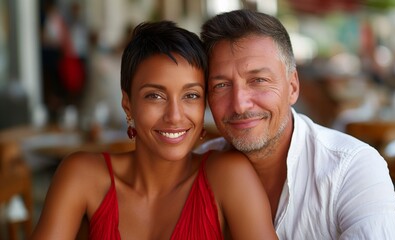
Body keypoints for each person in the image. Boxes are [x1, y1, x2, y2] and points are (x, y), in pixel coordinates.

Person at [31, 21, 278, 240]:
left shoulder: (228, 176)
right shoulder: (82, 176)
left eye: (191, 95)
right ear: (128, 105)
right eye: (155, 96)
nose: (174, 116)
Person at [199, 9, 395, 239]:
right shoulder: (195, 168)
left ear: (293, 87)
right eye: (221, 86)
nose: (239, 104)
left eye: (258, 81)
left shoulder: (350, 168)